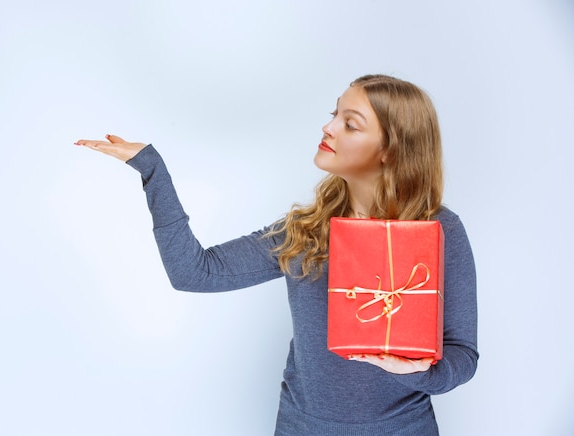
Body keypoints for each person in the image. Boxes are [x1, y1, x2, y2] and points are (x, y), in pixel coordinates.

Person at [75, 74, 478, 435]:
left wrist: (423, 373)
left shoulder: (438, 231)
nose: (328, 126)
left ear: (391, 149)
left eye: (350, 123)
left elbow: (462, 356)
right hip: (300, 427)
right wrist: (153, 172)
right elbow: (196, 273)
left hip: (402, 429)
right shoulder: (305, 229)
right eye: (334, 114)